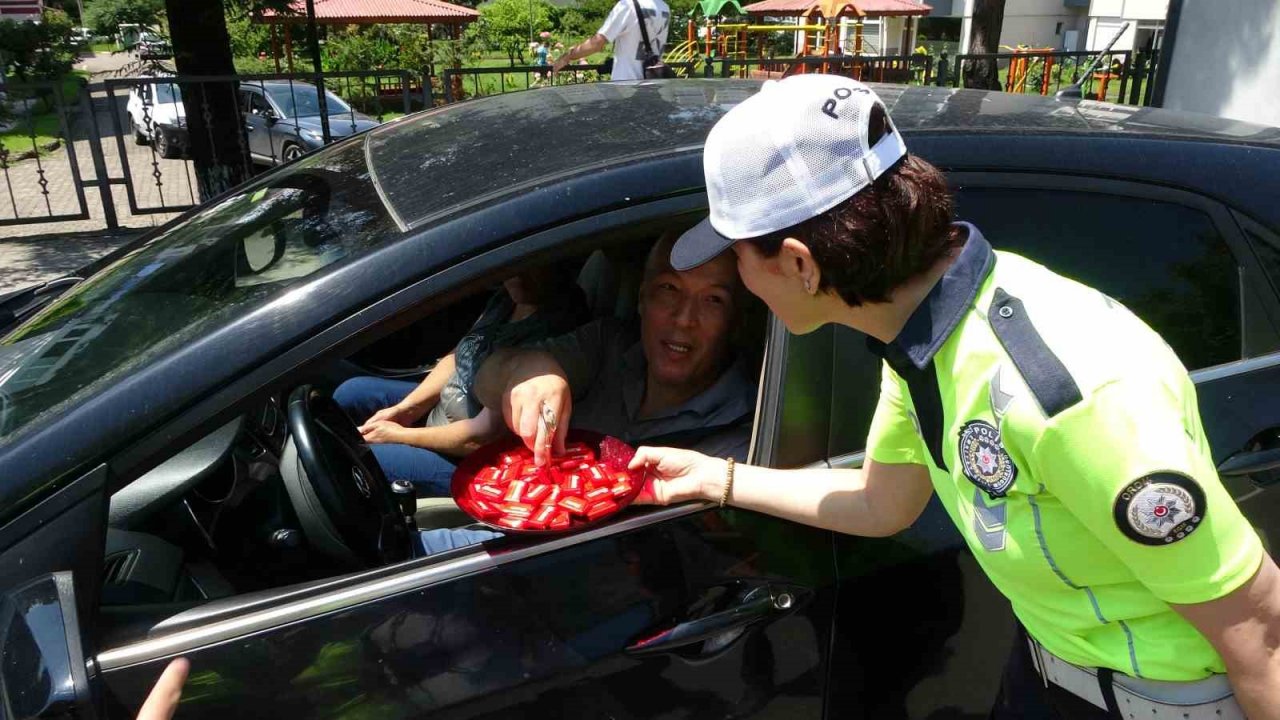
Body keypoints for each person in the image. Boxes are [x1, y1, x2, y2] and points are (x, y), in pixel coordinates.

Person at [606, 75, 1279, 719]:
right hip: (1047, 671)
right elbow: (881, 503)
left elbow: (1259, 626)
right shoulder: (920, 337)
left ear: (800, 265)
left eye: (738, 257)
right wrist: (714, 477)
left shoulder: (1066, 392)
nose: (739, 278)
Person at [415, 234, 757, 555]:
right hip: (512, 519)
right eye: (669, 289)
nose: (684, 319)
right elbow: (485, 379)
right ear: (641, 299)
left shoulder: (745, 432)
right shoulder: (608, 345)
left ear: (736, 321)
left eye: (714, 299)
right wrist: (528, 371)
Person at [335, 264, 586, 496]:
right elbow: (459, 355)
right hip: (447, 407)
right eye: (514, 263)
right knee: (352, 392)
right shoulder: (508, 298)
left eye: (533, 264)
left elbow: (481, 437)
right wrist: (407, 409)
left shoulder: (558, 327)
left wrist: (399, 435)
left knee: (358, 461)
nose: (517, 273)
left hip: (470, 459)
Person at [550, 0, 670, 82]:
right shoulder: (664, 7)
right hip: (653, 83)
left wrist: (567, 56)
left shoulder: (627, 5)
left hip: (626, 85)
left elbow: (597, 43)